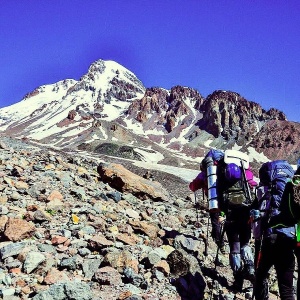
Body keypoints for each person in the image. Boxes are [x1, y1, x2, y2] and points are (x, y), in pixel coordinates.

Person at [189, 149, 257, 291]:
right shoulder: (241, 169)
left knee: (234, 247)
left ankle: (237, 280)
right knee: (245, 243)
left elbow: (193, 186)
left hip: (229, 214)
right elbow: (253, 183)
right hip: (244, 212)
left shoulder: (213, 172)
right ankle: (250, 267)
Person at [251, 160, 295, 300]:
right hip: (289, 240)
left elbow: (257, 217)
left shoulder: (264, 192)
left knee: (260, 276)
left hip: (270, 240)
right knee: (287, 288)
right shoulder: (292, 192)